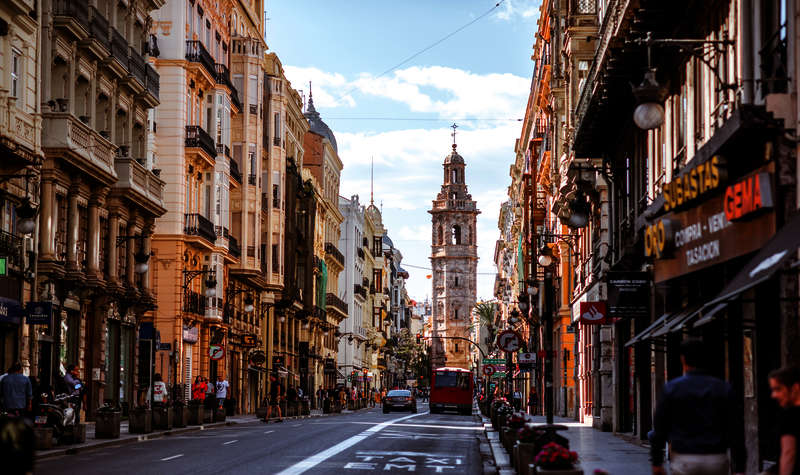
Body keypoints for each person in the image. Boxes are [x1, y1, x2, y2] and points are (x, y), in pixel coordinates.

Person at [649, 338, 745, 475]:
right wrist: (740, 467)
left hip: (684, 459)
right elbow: (736, 429)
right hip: (716, 458)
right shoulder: (723, 388)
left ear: (683, 359)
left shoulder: (672, 388)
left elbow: (660, 427)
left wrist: (656, 462)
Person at [768, 366, 800, 475]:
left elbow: (789, 452)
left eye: (778, 389)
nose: (774, 395)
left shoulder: (789, 416)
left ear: (795, 388)